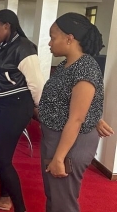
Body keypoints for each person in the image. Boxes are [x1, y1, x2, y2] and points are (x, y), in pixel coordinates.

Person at [0, 9, 45, 212]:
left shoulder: (24, 48)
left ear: (7, 26)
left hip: (16, 107)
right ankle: (4, 198)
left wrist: (42, 113)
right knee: (0, 155)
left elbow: (37, 85)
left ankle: (20, 208)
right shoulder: (3, 47)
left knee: (2, 159)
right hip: (1, 105)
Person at [39, 13, 104, 212]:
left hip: (69, 144)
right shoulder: (66, 65)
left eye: (53, 37)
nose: (50, 43)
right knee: (55, 197)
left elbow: (76, 118)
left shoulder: (85, 68)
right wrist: (97, 117)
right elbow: (73, 102)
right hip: (57, 138)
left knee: (63, 203)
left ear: (69, 38)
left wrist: (59, 158)